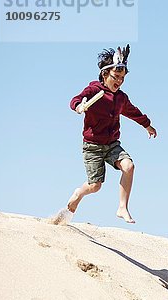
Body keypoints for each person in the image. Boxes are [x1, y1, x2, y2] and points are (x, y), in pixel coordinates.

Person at [65, 45, 157, 224]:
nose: (120, 81)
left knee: (129, 167)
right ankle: (78, 194)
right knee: (95, 186)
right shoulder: (93, 90)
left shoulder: (121, 98)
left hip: (113, 144)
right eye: (116, 77)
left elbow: (133, 112)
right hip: (92, 146)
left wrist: (147, 125)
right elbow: (76, 99)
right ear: (105, 74)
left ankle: (122, 207)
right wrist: (78, 106)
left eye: (123, 78)